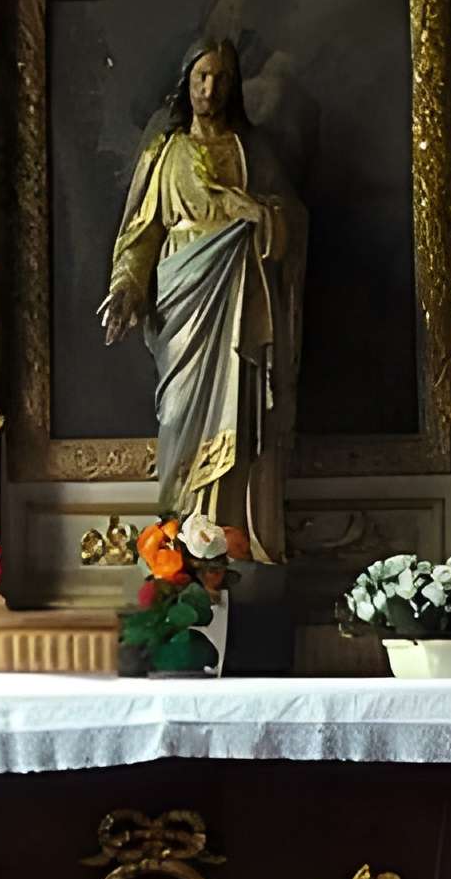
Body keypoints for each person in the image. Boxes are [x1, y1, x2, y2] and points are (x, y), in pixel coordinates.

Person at [98, 36, 304, 564]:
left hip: (238, 295)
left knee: (239, 410)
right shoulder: (164, 153)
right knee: (179, 413)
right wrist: (125, 286)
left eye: (219, 79)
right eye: (200, 78)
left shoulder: (250, 151)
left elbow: (291, 220)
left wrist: (260, 216)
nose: (208, 89)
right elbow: (140, 233)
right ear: (185, 83)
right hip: (182, 296)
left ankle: (230, 535)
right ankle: (177, 544)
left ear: (231, 87)